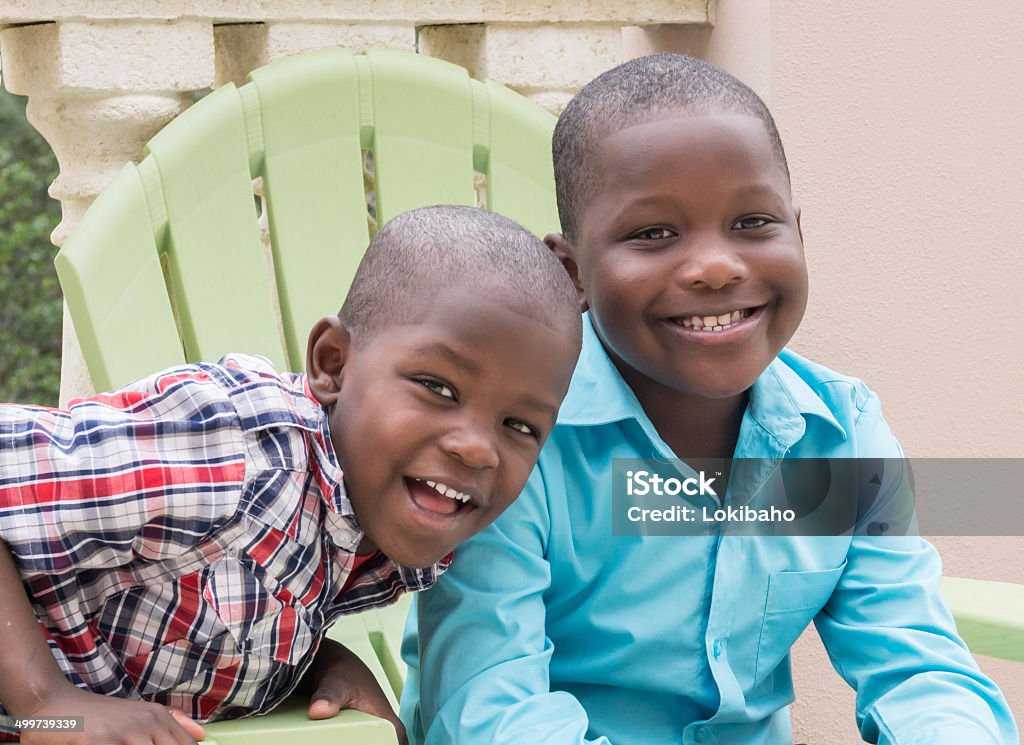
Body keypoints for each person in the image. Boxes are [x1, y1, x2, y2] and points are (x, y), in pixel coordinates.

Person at [400, 55, 1018, 744]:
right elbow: (488, 707)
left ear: (799, 232)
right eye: (654, 234)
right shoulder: (512, 442)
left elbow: (919, 669)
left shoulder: (840, 434)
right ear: (571, 273)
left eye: (754, 222)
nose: (717, 266)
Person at [0, 205, 583, 745]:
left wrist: (319, 665)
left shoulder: (378, 520)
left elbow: (228, 606)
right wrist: (45, 703)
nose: (478, 449)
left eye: (520, 425)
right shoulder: (232, 449)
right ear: (333, 363)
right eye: (438, 388)